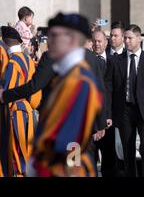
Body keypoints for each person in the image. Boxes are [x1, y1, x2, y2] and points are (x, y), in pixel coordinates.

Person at [30, 13, 102, 177]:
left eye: (56, 36)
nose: (50, 41)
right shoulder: (68, 70)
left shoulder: (80, 75)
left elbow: (72, 137)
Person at [105, 24, 144, 177]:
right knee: (128, 150)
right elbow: (109, 90)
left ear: (139, 39)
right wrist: (108, 114)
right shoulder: (115, 61)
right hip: (125, 111)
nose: (126, 41)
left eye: (130, 38)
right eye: (125, 38)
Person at [0, 26, 42, 177]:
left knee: (18, 157)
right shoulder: (28, 59)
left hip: (16, 114)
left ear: (5, 43)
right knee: (28, 157)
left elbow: (7, 93)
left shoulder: (13, 63)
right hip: (29, 111)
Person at [92, 30, 116, 177]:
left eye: (100, 41)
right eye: (94, 41)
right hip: (90, 120)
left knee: (109, 161)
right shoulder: (84, 62)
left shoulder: (114, 62)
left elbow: (116, 93)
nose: (97, 44)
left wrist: (109, 116)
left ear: (106, 42)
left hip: (110, 120)